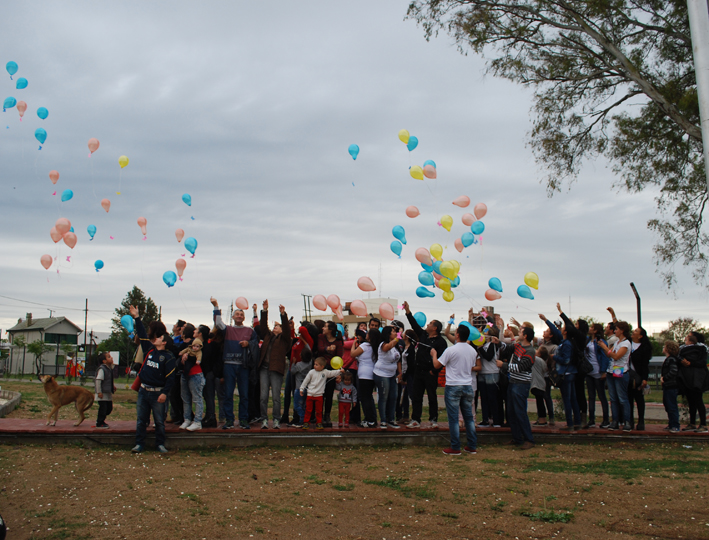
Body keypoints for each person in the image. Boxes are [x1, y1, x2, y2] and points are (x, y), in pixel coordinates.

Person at [130, 305, 176, 454]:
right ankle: (139, 444)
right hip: (144, 391)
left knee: (159, 422)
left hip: (157, 394)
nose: (156, 338)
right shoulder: (149, 349)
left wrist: (164, 393)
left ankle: (160, 444)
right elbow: (142, 333)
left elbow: (170, 379)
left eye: (160, 338)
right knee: (141, 420)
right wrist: (137, 317)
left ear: (164, 342)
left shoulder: (168, 358)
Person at [211, 297, 259, 430]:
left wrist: (248, 343)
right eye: (237, 314)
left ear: (244, 318)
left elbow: (256, 344)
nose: (239, 316)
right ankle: (229, 420)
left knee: (244, 394)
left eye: (241, 314)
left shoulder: (249, 331)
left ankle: (243, 419)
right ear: (233, 316)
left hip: (243, 366)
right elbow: (217, 322)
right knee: (228, 394)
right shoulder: (227, 329)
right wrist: (216, 306)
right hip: (229, 365)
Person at [432, 324, 480, 455]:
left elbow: (437, 365)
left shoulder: (451, 350)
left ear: (457, 335)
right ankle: (471, 445)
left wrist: (434, 354)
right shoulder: (472, 351)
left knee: (453, 418)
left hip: (453, 385)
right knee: (469, 417)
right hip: (467, 385)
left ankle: (455, 447)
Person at [403, 301, 447, 429]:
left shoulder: (441, 342)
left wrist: (434, 371)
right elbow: (414, 324)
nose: (427, 325)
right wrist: (408, 311)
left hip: (430, 373)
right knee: (417, 396)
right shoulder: (423, 335)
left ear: (435, 328)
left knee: (432, 397)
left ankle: (433, 420)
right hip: (418, 371)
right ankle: (416, 419)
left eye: (430, 324)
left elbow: (443, 359)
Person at [496, 326, 535, 449]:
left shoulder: (530, 351)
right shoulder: (518, 346)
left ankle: (529, 439)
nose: (519, 333)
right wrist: (498, 342)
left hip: (521, 384)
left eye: (521, 332)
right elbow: (507, 348)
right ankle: (517, 438)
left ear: (526, 336)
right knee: (511, 412)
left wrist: (504, 365)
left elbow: (520, 367)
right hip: (513, 382)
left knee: (520, 412)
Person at [540, 312, 580, 430]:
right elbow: (556, 331)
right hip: (569, 373)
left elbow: (566, 360)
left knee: (567, 399)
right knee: (572, 398)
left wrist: (554, 357)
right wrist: (546, 320)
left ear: (566, 332)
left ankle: (570, 424)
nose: (561, 329)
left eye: (563, 328)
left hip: (566, 374)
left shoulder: (567, 344)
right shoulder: (565, 342)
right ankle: (576, 422)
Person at [255, 300, 292, 429]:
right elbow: (263, 326)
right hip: (264, 369)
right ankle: (264, 419)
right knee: (263, 396)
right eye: (275, 325)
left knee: (276, 397)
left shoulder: (285, 339)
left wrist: (283, 314)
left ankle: (276, 420)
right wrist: (264, 310)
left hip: (276, 370)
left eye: (278, 325)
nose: (275, 326)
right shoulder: (267, 336)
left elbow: (287, 330)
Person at [597, 321, 632, 431]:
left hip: (620, 369)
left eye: (616, 329)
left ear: (622, 331)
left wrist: (605, 347)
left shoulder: (625, 344)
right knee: (613, 398)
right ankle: (615, 421)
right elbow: (610, 353)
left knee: (622, 398)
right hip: (611, 370)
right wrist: (606, 349)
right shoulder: (617, 342)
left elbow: (616, 356)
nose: (615, 331)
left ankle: (627, 421)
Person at [299, 357, 343, 429]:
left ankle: (319, 422)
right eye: (314, 364)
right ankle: (306, 422)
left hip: (319, 395)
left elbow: (332, 373)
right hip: (310, 394)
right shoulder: (311, 372)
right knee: (308, 409)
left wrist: (340, 371)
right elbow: (306, 381)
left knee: (319, 410)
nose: (315, 366)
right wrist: (301, 389)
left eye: (317, 365)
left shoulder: (325, 372)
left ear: (322, 366)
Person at [678, 332, 709, 432]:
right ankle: (692, 423)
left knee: (698, 400)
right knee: (691, 401)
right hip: (687, 378)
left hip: (696, 379)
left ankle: (703, 424)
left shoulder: (702, 349)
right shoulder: (682, 349)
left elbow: (703, 363)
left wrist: (690, 363)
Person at [351, 329, 381, 427]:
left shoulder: (364, 346)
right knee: (368, 397)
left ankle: (370, 420)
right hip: (372, 374)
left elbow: (353, 354)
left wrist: (354, 344)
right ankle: (372, 418)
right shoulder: (376, 347)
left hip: (364, 375)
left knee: (365, 399)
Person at [374, 326, 402, 429]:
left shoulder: (396, 346)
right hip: (382, 374)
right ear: (388, 334)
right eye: (393, 332)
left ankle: (391, 419)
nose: (395, 333)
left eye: (396, 332)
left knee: (394, 397)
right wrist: (398, 337)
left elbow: (398, 360)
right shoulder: (383, 344)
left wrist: (400, 373)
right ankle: (383, 420)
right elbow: (387, 347)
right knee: (384, 397)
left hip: (392, 374)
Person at [316, 321, 344, 427]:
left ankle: (327, 415)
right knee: (320, 393)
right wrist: (327, 348)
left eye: (325, 327)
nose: (323, 328)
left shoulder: (338, 341)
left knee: (329, 394)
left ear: (330, 330)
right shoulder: (321, 337)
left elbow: (339, 357)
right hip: (321, 369)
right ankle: (318, 416)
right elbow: (319, 348)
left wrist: (338, 373)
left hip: (332, 370)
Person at [477, 327, 503, 427]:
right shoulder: (484, 344)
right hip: (483, 372)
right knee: (484, 397)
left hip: (492, 372)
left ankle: (496, 420)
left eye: (485, 331)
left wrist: (480, 348)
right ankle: (485, 419)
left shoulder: (493, 344)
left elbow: (488, 357)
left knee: (492, 397)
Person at [585, 323, 610, 429]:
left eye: (591, 328)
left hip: (598, 372)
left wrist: (603, 371)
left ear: (595, 331)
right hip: (589, 372)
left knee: (601, 396)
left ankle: (606, 419)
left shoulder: (600, 342)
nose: (589, 329)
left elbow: (605, 356)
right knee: (591, 396)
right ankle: (591, 419)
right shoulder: (588, 340)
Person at [178, 337, 206, 431]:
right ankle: (187, 419)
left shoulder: (200, 350)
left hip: (195, 374)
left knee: (196, 398)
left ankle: (197, 421)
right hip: (185, 373)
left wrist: (188, 356)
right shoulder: (188, 347)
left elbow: (198, 359)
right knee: (185, 398)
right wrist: (183, 354)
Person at [628, 325, 652, 431]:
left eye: (636, 331)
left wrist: (644, 379)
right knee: (628, 399)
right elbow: (621, 328)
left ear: (641, 336)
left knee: (639, 399)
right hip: (627, 375)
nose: (633, 332)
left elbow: (644, 365)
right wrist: (613, 316)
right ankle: (630, 421)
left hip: (638, 376)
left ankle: (641, 421)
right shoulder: (628, 342)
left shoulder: (644, 348)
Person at [199, 325, 222, 428]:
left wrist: (213, 372)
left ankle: (211, 417)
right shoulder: (204, 344)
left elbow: (213, 360)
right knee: (206, 396)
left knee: (209, 396)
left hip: (209, 374)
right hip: (207, 373)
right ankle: (208, 415)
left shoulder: (210, 345)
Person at [661, 340, 681, 433]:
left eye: (664, 346)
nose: (663, 348)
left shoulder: (671, 359)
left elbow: (673, 371)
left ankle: (675, 425)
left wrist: (665, 378)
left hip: (671, 385)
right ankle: (671, 423)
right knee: (668, 404)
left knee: (671, 405)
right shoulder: (670, 359)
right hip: (668, 385)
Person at [397, 329, 417, 423]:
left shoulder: (411, 348)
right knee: (402, 395)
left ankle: (413, 415)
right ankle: (404, 415)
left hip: (408, 374)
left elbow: (411, 364)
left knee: (410, 394)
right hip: (402, 372)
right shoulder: (402, 346)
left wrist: (405, 376)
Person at [94, 352, 115, 428]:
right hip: (102, 394)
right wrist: (99, 392)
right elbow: (98, 381)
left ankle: (102, 420)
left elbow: (108, 380)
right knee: (103, 408)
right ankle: (100, 422)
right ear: (104, 361)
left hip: (108, 393)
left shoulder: (109, 369)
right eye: (109, 357)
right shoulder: (102, 369)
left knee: (109, 408)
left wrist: (112, 386)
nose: (111, 358)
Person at [530, 346, 549, 426]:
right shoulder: (543, 362)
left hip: (536, 384)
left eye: (538, 350)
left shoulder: (536, 360)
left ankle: (542, 419)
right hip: (541, 383)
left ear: (540, 354)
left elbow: (530, 352)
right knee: (540, 401)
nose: (536, 350)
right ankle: (542, 418)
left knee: (539, 402)